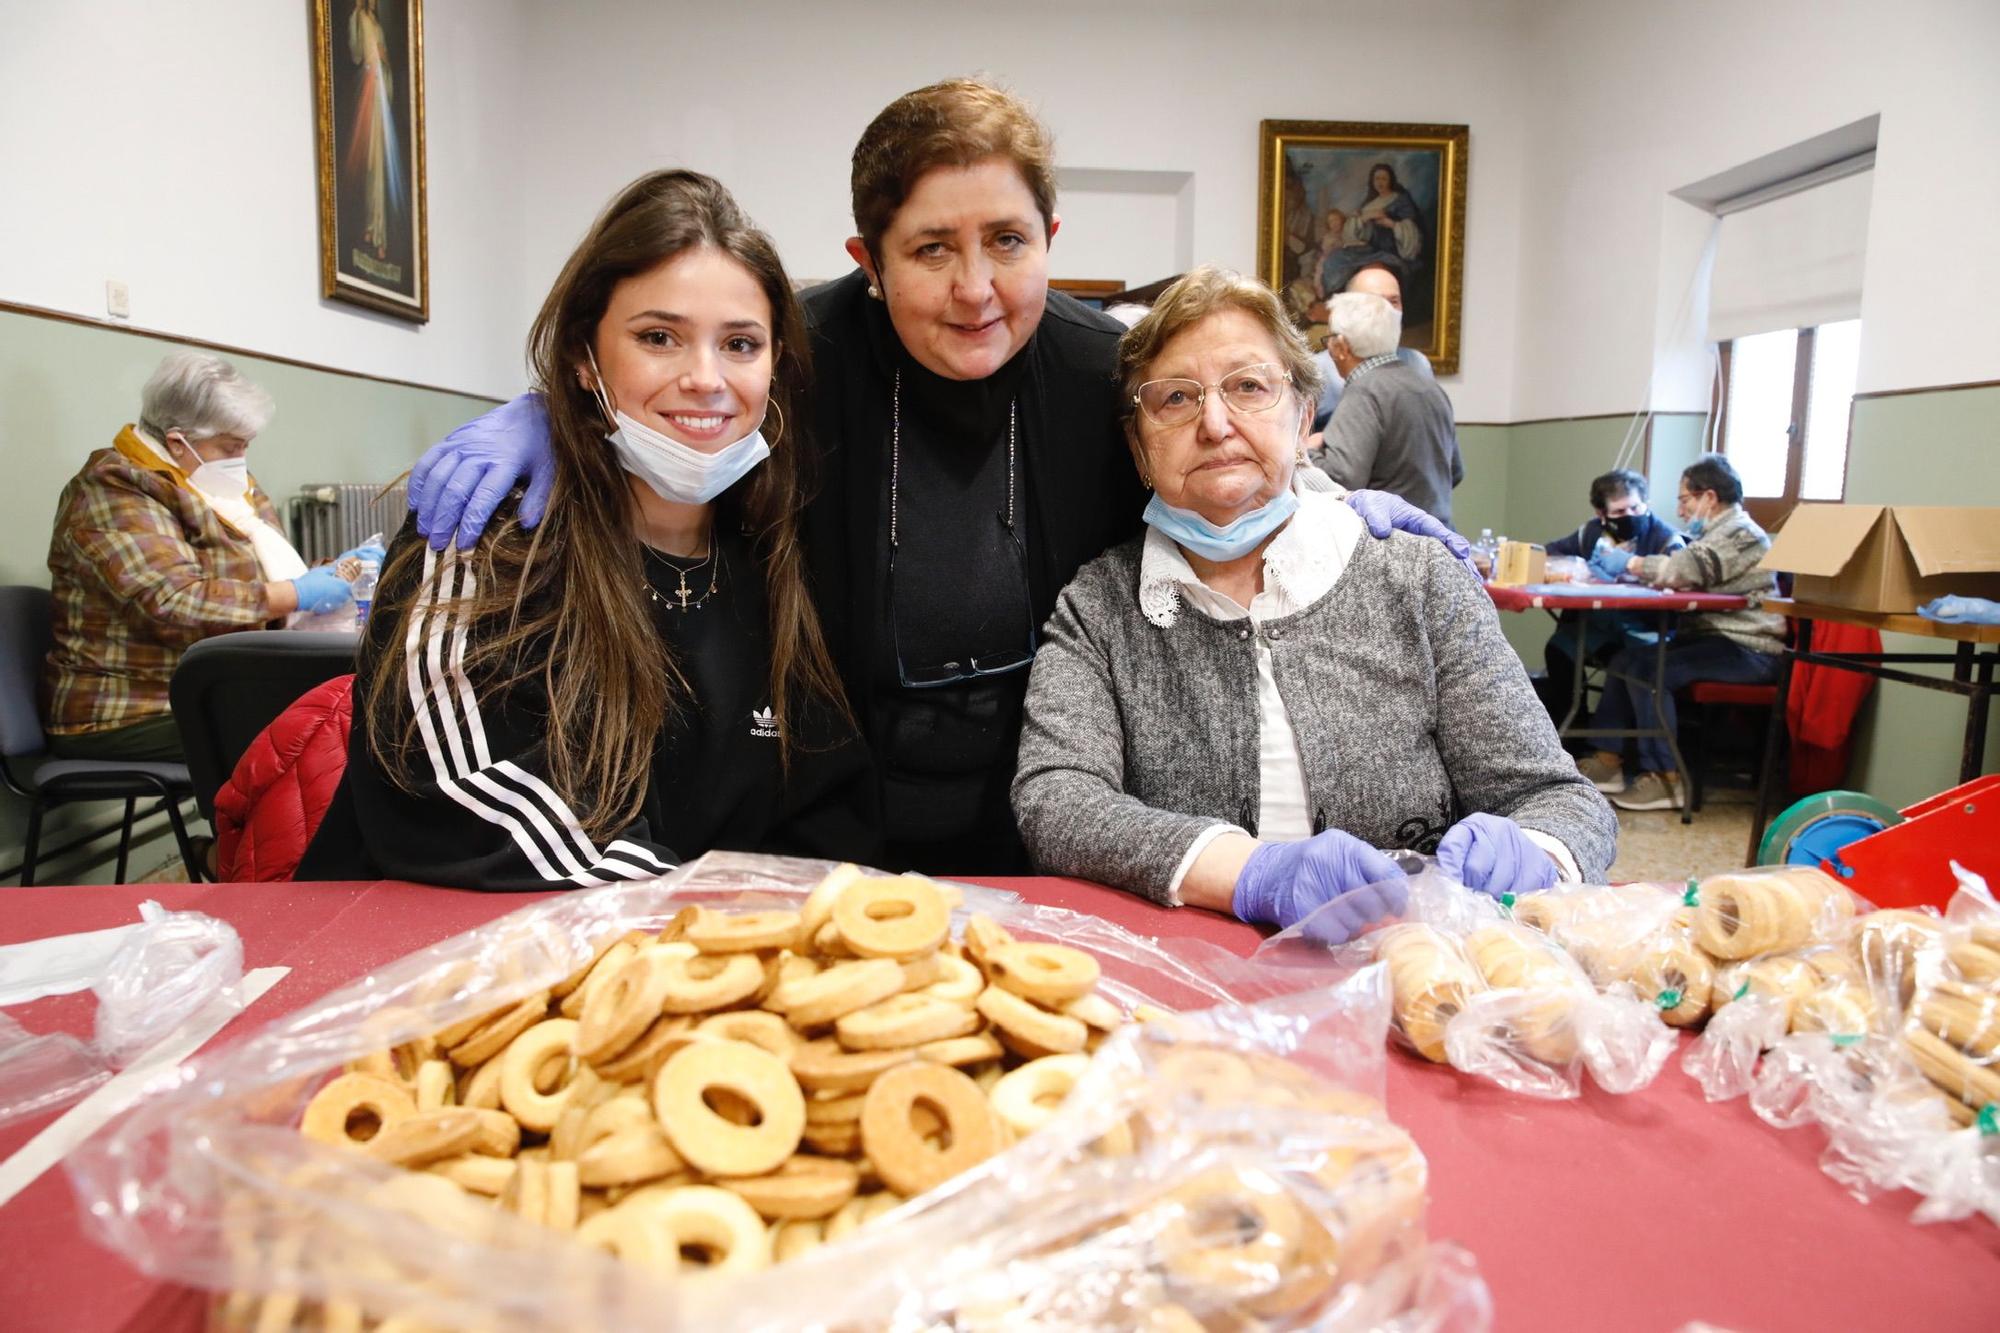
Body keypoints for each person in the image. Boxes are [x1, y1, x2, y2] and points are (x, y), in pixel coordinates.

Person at [405, 80, 1468, 876]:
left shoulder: (1105, 368)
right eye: (928, 251)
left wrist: (1327, 508)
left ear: (1050, 238)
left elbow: (1219, 441)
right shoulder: (795, 358)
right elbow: (688, 381)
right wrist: (552, 412)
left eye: (1006, 241)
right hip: (821, 826)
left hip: (1046, 825)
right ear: (866, 261)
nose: (974, 291)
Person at [296, 171, 877, 889]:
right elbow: (474, 804)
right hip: (449, 962)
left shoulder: (770, 551)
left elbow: (823, 806)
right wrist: (720, 918)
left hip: (680, 968)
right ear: (582, 356)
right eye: (658, 337)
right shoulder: (489, 530)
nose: (706, 377)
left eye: (740, 344)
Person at [1012, 267, 1615, 934]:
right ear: (1139, 444)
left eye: (1248, 387)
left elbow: (1561, 799)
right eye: (1177, 398)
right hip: (1190, 999)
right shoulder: (1099, 608)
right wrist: (1249, 872)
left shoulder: (1415, 579)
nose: (1215, 423)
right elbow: (1057, 799)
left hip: (1418, 981)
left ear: (1304, 417)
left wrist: (1537, 850)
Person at [41, 351, 363, 763]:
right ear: (178, 442)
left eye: (245, 445)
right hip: (126, 709)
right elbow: (172, 604)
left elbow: (267, 577)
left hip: (213, 685)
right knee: (324, 731)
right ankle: (266, 831)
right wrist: (295, 594)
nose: (241, 459)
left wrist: (336, 574)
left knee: (351, 708)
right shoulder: (111, 490)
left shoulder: (228, 489)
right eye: (231, 446)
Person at [1579, 454, 1785, 812]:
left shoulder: (1742, 534)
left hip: (1749, 648)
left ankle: (1665, 778)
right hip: (1714, 639)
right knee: (1625, 659)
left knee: (1651, 670)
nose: (1681, 508)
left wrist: (1629, 563)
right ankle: (1608, 760)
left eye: (1685, 499)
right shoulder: (1715, 532)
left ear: (1709, 497)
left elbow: (1683, 570)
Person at [1537, 468, 1686, 730]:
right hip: (1601, 628)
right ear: (1601, 515)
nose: (1629, 517)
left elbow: (1681, 577)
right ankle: (1572, 729)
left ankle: (1612, 745)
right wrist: (1573, 568)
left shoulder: (1666, 539)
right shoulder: (1591, 533)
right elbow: (1547, 554)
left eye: (1636, 508)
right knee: (1558, 649)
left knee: (1628, 664)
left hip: (1646, 631)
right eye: (1619, 513)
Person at [1311, 291, 1464, 527]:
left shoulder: (1364, 391)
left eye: (1330, 338)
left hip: (1391, 544)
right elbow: (1455, 472)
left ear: (1341, 346)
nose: (1329, 348)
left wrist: (1307, 452)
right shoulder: (1431, 388)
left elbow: (1341, 479)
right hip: (1439, 540)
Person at [1308, 263, 1431, 432]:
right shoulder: (1317, 370)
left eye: (1393, 302)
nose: (1387, 311)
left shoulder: (1418, 364)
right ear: (1349, 308)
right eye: (1376, 302)